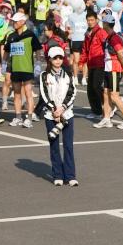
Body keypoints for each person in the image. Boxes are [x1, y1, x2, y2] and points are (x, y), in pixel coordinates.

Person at [38, 46, 78, 186]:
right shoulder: (44, 75)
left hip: (67, 114)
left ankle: (70, 175)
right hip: (51, 115)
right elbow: (44, 95)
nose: (58, 60)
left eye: (60, 57)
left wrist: (63, 108)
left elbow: (72, 92)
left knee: (68, 146)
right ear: (50, 59)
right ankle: (57, 175)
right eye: (55, 58)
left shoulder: (69, 74)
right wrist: (54, 110)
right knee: (54, 145)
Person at [4, 13, 39, 127]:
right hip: (15, 69)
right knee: (17, 94)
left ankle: (29, 117)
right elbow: (6, 51)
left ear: (23, 22)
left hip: (27, 68)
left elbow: (38, 49)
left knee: (28, 93)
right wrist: (4, 63)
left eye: (16, 21)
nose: (14, 23)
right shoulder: (11, 36)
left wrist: (38, 63)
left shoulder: (30, 35)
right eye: (13, 21)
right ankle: (18, 117)